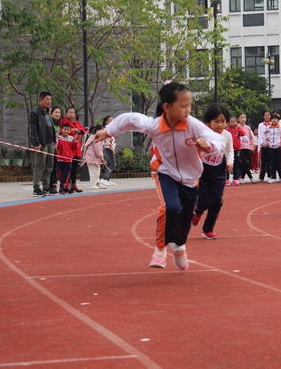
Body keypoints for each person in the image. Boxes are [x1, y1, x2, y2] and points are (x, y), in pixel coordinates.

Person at [94, 82, 225, 270]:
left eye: (189, 105)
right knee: (171, 207)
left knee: (185, 218)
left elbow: (218, 139)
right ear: (167, 107)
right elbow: (129, 119)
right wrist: (108, 131)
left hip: (190, 178)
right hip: (165, 172)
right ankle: (160, 249)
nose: (188, 110)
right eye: (183, 105)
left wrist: (209, 146)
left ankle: (179, 246)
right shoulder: (154, 125)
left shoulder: (193, 125)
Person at [193, 104, 232, 239]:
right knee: (203, 199)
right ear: (208, 121)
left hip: (219, 170)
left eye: (223, 121)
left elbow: (229, 150)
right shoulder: (203, 134)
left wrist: (229, 162)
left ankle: (208, 229)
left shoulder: (227, 135)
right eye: (216, 121)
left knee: (217, 201)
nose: (220, 125)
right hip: (203, 170)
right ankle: (198, 210)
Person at [30, 91, 57, 196]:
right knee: (39, 165)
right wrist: (36, 143)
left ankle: (46, 186)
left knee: (49, 166)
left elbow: (50, 126)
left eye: (50, 99)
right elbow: (33, 129)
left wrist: (54, 139)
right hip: (41, 143)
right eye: (47, 99)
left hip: (50, 143)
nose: (49, 101)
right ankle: (36, 188)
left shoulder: (47, 112)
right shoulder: (35, 112)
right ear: (40, 99)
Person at [60, 107, 87, 193]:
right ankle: (66, 184)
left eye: (73, 112)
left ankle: (73, 184)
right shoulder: (64, 122)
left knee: (74, 167)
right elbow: (66, 131)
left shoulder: (76, 122)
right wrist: (76, 130)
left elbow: (83, 130)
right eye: (70, 112)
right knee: (67, 167)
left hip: (76, 147)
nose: (72, 114)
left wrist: (79, 130)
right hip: (68, 147)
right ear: (66, 113)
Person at [55, 123, 78, 194]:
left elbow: (74, 147)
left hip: (68, 160)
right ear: (61, 130)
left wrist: (74, 141)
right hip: (60, 159)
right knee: (61, 174)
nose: (66, 131)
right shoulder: (59, 138)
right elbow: (58, 147)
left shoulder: (71, 138)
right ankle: (64, 187)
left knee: (67, 174)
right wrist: (58, 139)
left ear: (70, 130)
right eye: (65, 129)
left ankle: (63, 187)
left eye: (68, 130)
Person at [82, 124, 106, 190]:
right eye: (102, 130)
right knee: (94, 172)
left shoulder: (93, 137)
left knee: (97, 171)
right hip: (92, 158)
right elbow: (97, 150)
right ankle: (92, 185)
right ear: (97, 130)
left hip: (93, 158)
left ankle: (97, 183)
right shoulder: (96, 138)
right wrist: (101, 158)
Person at [266, 113, 281, 183]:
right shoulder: (269, 127)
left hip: (279, 146)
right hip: (271, 147)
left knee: (280, 162)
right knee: (272, 163)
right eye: (272, 119)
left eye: (275, 119)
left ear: (278, 120)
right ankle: (273, 177)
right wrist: (266, 138)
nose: (274, 120)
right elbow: (263, 133)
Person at [226, 115, 245, 185]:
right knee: (228, 164)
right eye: (231, 122)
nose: (232, 123)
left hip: (237, 149)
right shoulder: (227, 130)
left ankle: (235, 178)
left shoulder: (238, 129)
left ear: (236, 122)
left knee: (236, 164)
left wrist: (238, 127)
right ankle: (227, 179)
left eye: (234, 122)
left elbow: (243, 133)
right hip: (228, 149)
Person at [237, 113, 256, 184]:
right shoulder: (237, 127)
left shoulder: (248, 128)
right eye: (241, 117)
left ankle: (242, 177)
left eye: (244, 117)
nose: (243, 119)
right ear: (238, 119)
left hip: (248, 148)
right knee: (244, 162)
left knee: (248, 163)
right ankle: (251, 177)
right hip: (240, 148)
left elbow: (251, 137)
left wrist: (251, 146)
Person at [48, 106, 63, 192]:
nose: (57, 114)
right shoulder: (49, 123)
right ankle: (50, 185)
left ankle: (54, 184)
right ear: (51, 113)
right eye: (55, 112)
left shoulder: (59, 124)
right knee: (51, 168)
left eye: (59, 112)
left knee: (55, 168)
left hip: (57, 150)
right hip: (50, 148)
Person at [101, 115, 117, 187]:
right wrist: (112, 149)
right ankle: (104, 178)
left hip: (110, 147)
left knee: (108, 164)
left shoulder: (110, 129)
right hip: (108, 148)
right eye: (110, 120)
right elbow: (106, 140)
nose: (112, 122)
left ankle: (107, 179)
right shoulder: (105, 130)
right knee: (113, 165)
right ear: (106, 122)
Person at [257, 110, 272, 182]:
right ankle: (261, 176)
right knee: (263, 161)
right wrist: (262, 143)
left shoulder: (272, 124)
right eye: (266, 115)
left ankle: (270, 175)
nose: (267, 116)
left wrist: (269, 143)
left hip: (270, 145)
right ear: (263, 116)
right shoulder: (260, 125)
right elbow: (259, 135)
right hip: (263, 145)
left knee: (270, 161)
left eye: (268, 115)